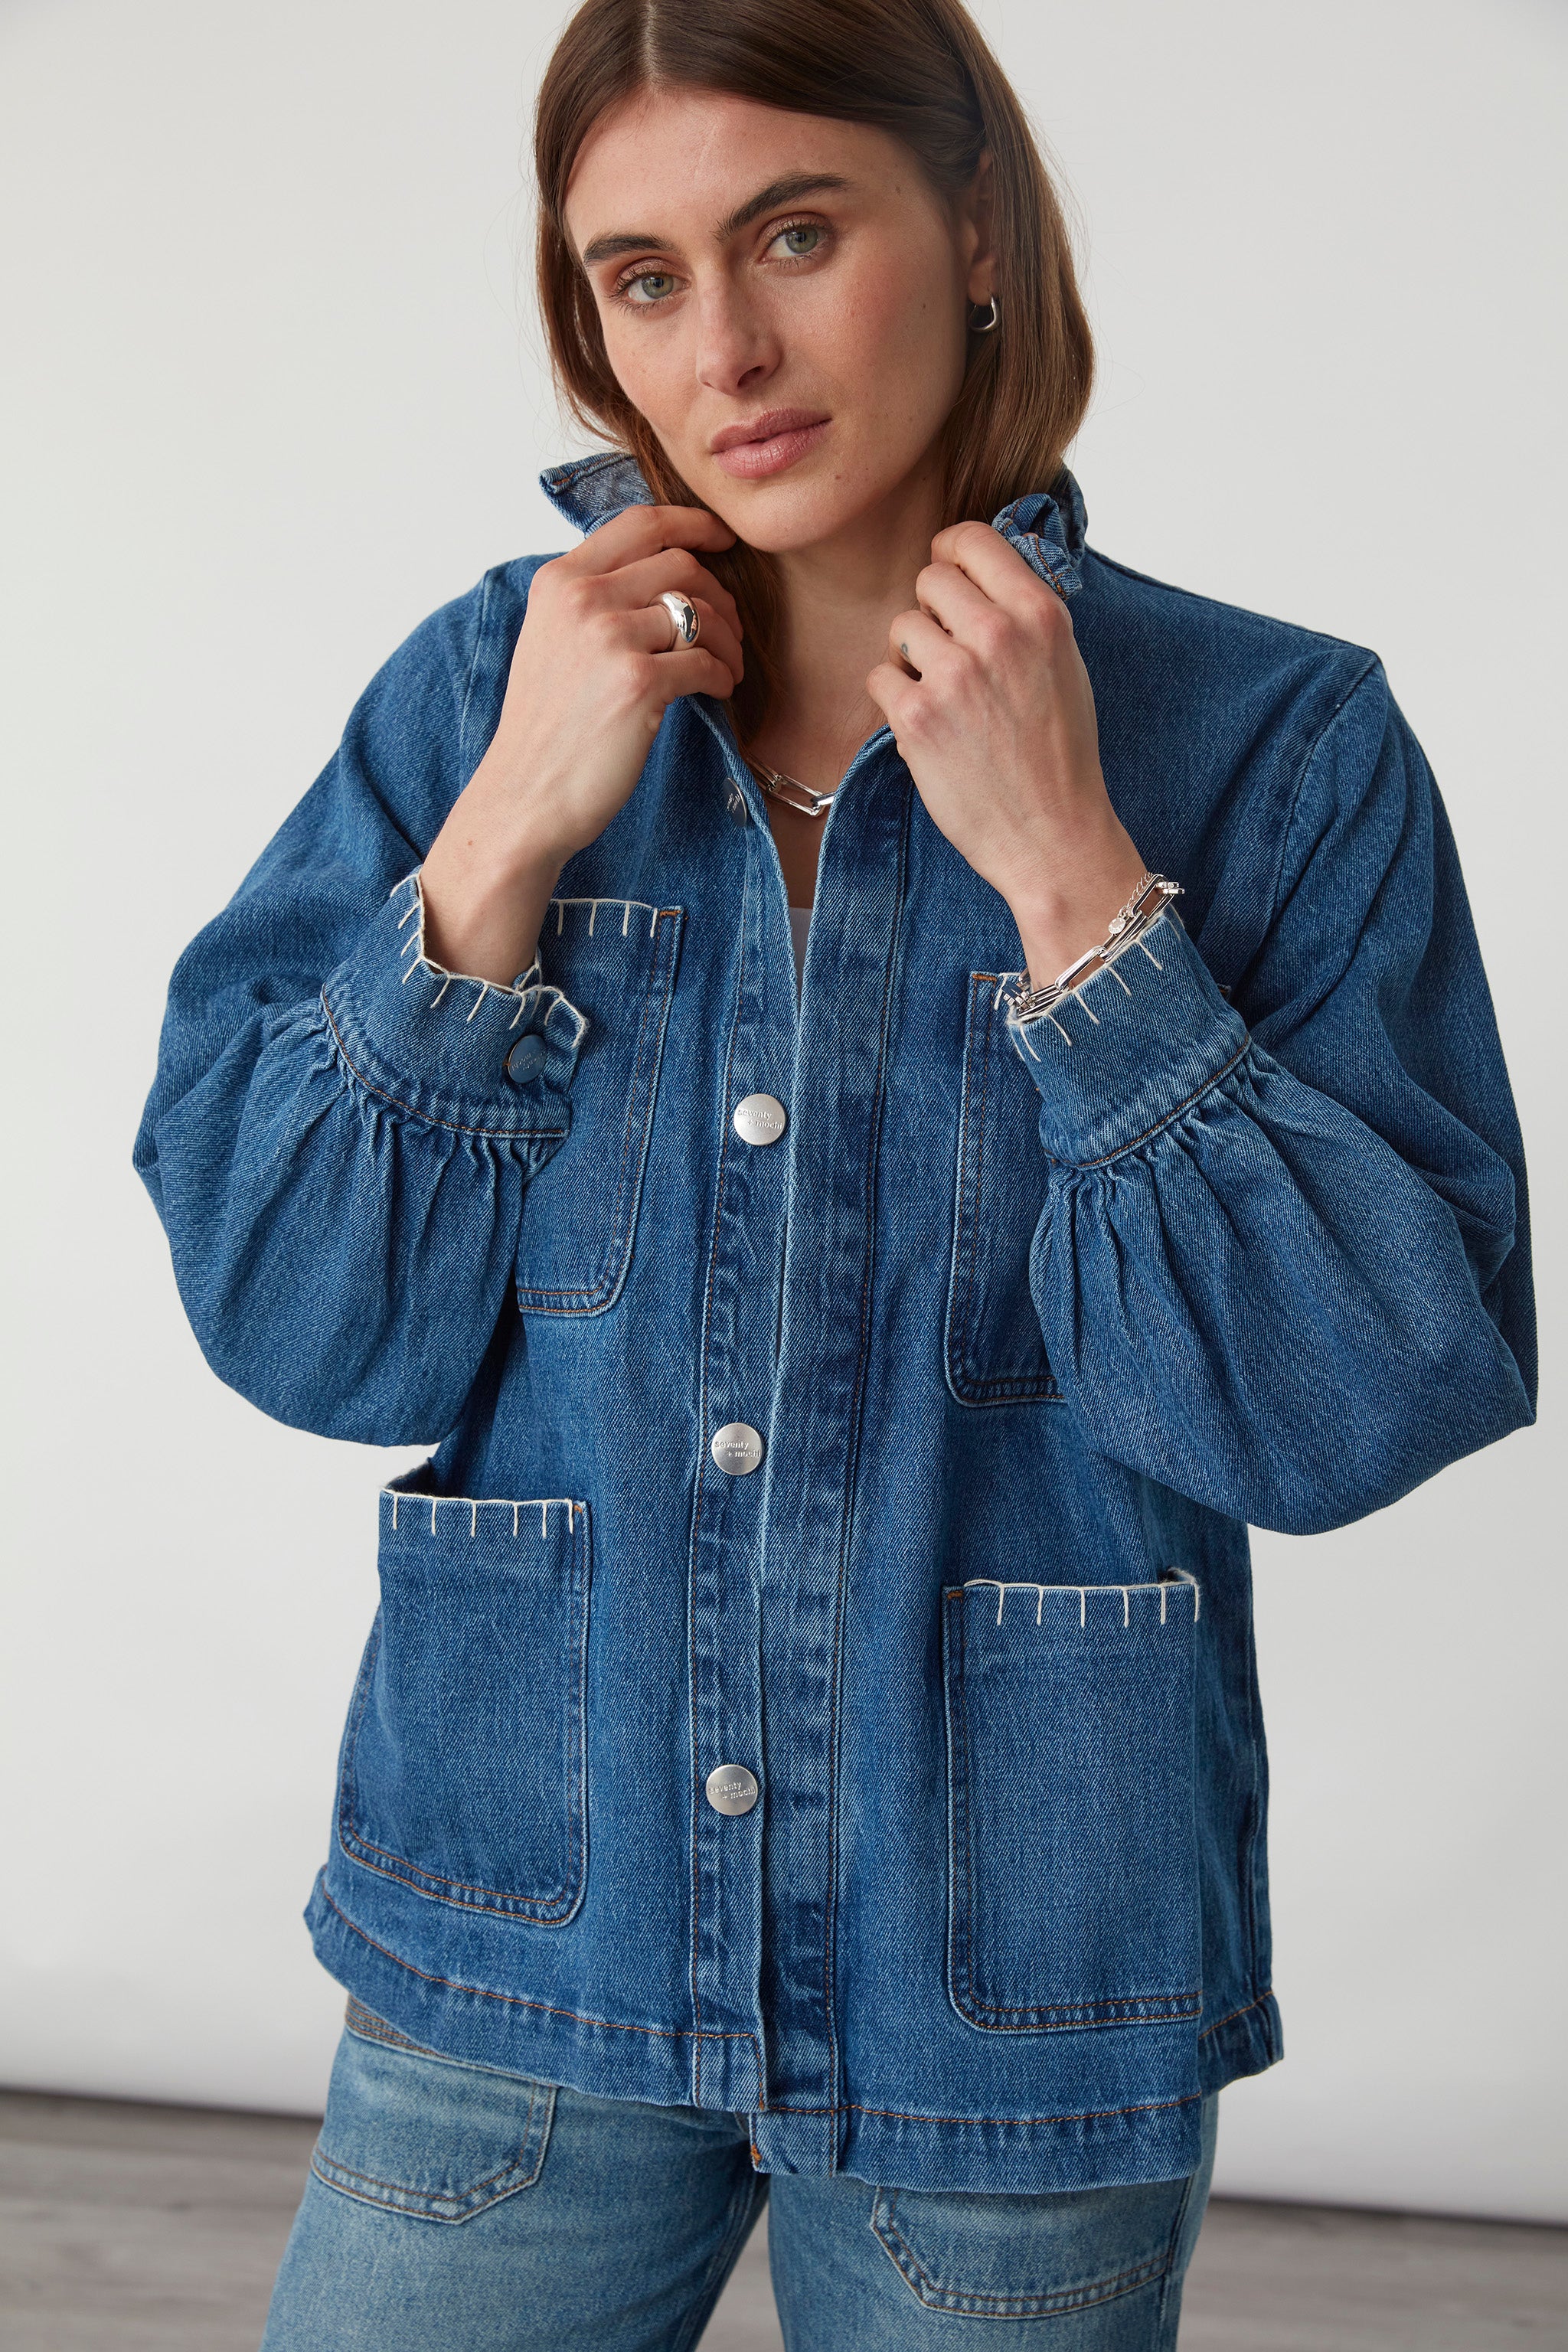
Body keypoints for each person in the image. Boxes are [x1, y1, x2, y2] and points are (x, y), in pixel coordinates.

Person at [133, 0, 1536, 2344]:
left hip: (1013, 2002)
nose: (730, 346)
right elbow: (293, 1321)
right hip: (517, 1946)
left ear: (975, 225)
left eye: (797, 231)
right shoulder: (483, 697)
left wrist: (1079, 892)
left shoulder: (1276, 749)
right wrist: (500, 840)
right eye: (644, 275)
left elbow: (1355, 1401)